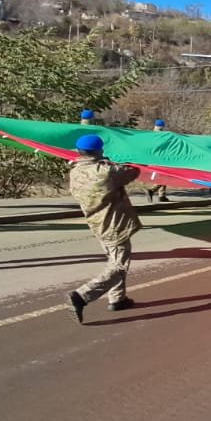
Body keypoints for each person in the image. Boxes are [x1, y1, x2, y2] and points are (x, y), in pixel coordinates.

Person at [66, 134, 142, 324]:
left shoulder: (75, 171)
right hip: (113, 223)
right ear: (99, 150)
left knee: (114, 260)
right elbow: (133, 171)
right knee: (118, 265)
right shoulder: (106, 171)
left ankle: (117, 298)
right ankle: (82, 296)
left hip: (96, 222)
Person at [145, 118, 170, 203]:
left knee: (162, 176)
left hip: (152, 159)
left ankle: (162, 195)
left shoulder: (149, 135)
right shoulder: (162, 135)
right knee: (164, 175)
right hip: (160, 159)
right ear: (162, 126)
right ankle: (152, 190)